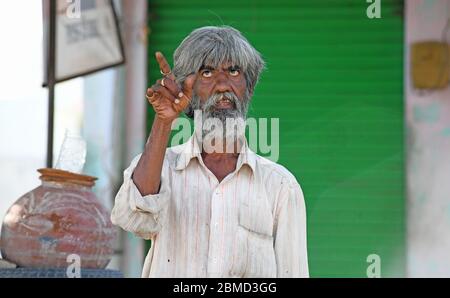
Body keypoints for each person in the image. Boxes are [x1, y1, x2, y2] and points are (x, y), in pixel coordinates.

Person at [111, 26, 309, 278]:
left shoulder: (280, 186)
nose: (223, 85)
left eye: (234, 71)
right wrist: (164, 121)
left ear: (248, 87)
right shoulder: (164, 168)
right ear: (187, 91)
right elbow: (133, 219)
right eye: (207, 72)